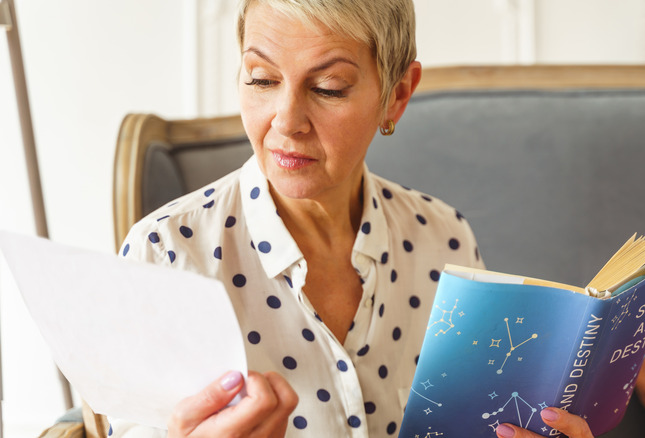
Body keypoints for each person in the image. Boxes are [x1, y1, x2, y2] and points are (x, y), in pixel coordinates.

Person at [114, 0, 595, 437]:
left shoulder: (445, 241)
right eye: (261, 78)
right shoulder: (166, 254)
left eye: (328, 88)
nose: (286, 120)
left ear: (397, 95)